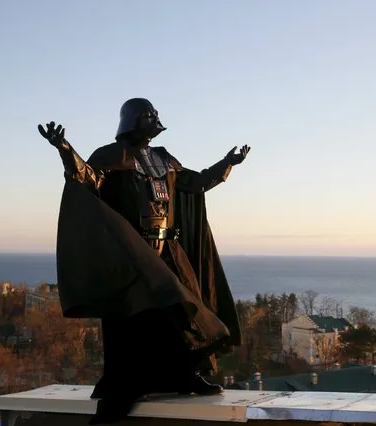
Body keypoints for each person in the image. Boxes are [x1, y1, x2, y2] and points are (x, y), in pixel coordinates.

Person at [38, 98, 250, 424]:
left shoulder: (164, 159)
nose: (152, 125)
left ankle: (184, 375)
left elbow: (196, 183)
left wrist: (228, 163)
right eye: (147, 119)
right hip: (133, 255)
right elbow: (87, 179)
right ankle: (123, 391)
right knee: (132, 324)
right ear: (134, 122)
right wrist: (65, 148)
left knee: (184, 313)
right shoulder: (111, 156)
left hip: (169, 253)